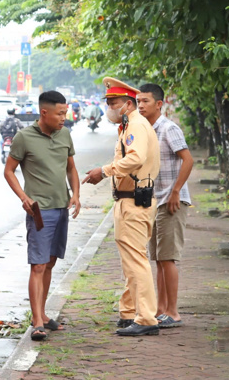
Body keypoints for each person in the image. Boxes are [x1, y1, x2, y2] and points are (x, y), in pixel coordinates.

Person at [83, 77, 161, 336]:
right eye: (107, 102)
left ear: (128, 104)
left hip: (134, 201)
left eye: (113, 102)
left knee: (137, 261)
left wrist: (104, 171)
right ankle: (129, 312)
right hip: (129, 199)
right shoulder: (132, 125)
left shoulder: (136, 126)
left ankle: (147, 318)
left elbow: (135, 158)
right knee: (131, 261)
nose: (109, 107)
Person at [3, 90, 81, 342]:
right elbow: (9, 171)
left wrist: (76, 195)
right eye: (60, 113)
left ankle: (44, 314)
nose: (64, 117)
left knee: (49, 263)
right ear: (44, 112)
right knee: (37, 264)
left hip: (61, 208)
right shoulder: (23, 137)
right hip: (40, 211)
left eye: (65, 113)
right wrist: (24, 198)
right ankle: (36, 321)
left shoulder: (65, 134)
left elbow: (71, 168)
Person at [135, 83, 194, 328]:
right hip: (154, 201)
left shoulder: (168, 128)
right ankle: (160, 310)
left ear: (159, 104)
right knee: (157, 258)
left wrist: (176, 192)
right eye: (138, 101)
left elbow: (188, 160)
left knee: (168, 258)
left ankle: (173, 312)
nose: (141, 106)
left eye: (145, 101)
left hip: (172, 201)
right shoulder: (144, 130)